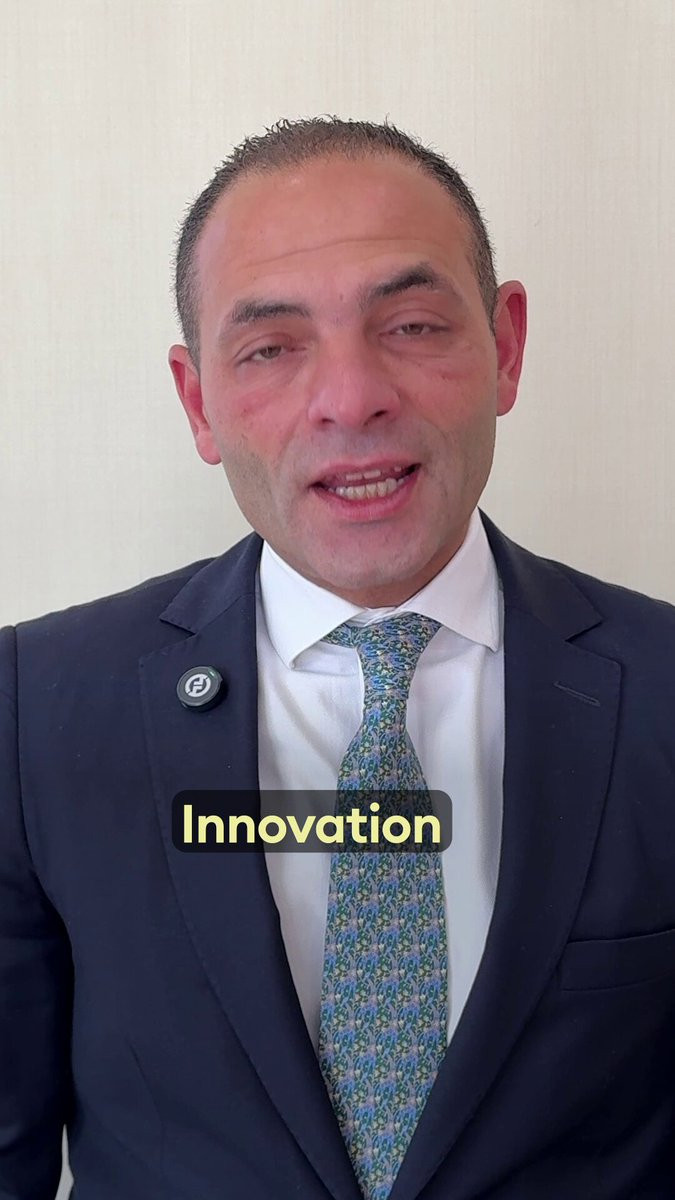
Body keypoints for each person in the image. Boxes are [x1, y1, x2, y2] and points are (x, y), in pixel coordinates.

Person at [2, 116, 675, 1200]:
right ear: (198, 401)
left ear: (505, 346)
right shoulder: (33, 708)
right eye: (271, 348)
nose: (352, 397)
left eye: (410, 325)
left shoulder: (661, 693)